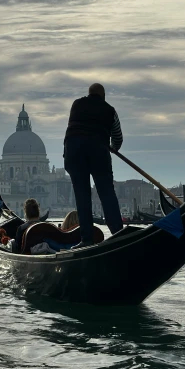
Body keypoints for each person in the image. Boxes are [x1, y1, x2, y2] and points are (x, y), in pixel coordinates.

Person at [64, 83, 124, 249]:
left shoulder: (76, 104)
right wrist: (114, 147)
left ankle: (87, 239)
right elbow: (118, 137)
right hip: (98, 152)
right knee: (106, 193)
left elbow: (74, 128)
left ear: (89, 94)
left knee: (82, 196)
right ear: (103, 96)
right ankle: (118, 233)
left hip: (74, 153)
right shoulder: (110, 110)